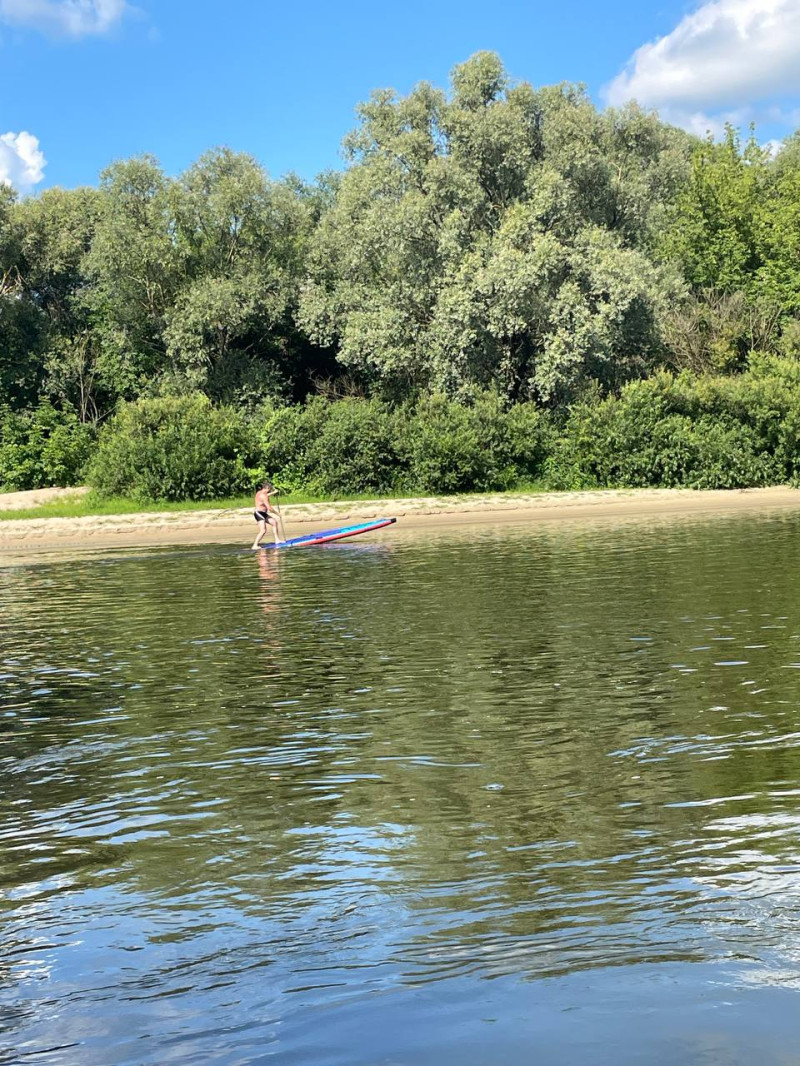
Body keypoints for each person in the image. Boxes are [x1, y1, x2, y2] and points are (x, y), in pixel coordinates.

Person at [251, 480, 282, 549]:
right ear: (267, 487)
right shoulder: (264, 496)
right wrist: (278, 514)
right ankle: (255, 545)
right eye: (269, 489)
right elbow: (269, 508)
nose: (269, 490)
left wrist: (273, 493)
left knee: (274, 522)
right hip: (258, 513)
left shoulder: (259, 492)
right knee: (263, 530)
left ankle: (277, 540)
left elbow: (265, 495)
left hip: (263, 513)